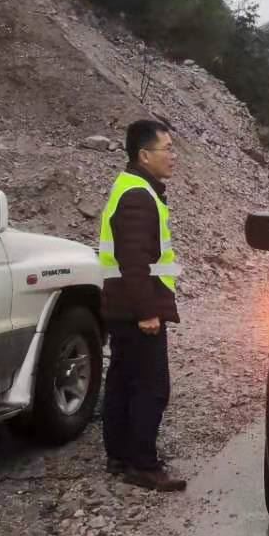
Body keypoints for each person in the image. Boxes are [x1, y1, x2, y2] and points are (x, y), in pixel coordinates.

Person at [97, 119, 186, 492]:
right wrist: (147, 311)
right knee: (151, 387)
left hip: (122, 307)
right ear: (144, 155)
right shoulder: (138, 196)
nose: (173, 156)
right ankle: (143, 464)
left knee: (122, 380)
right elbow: (133, 260)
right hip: (136, 310)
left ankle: (119, 456)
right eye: (168, 149)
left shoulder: (132, 187)